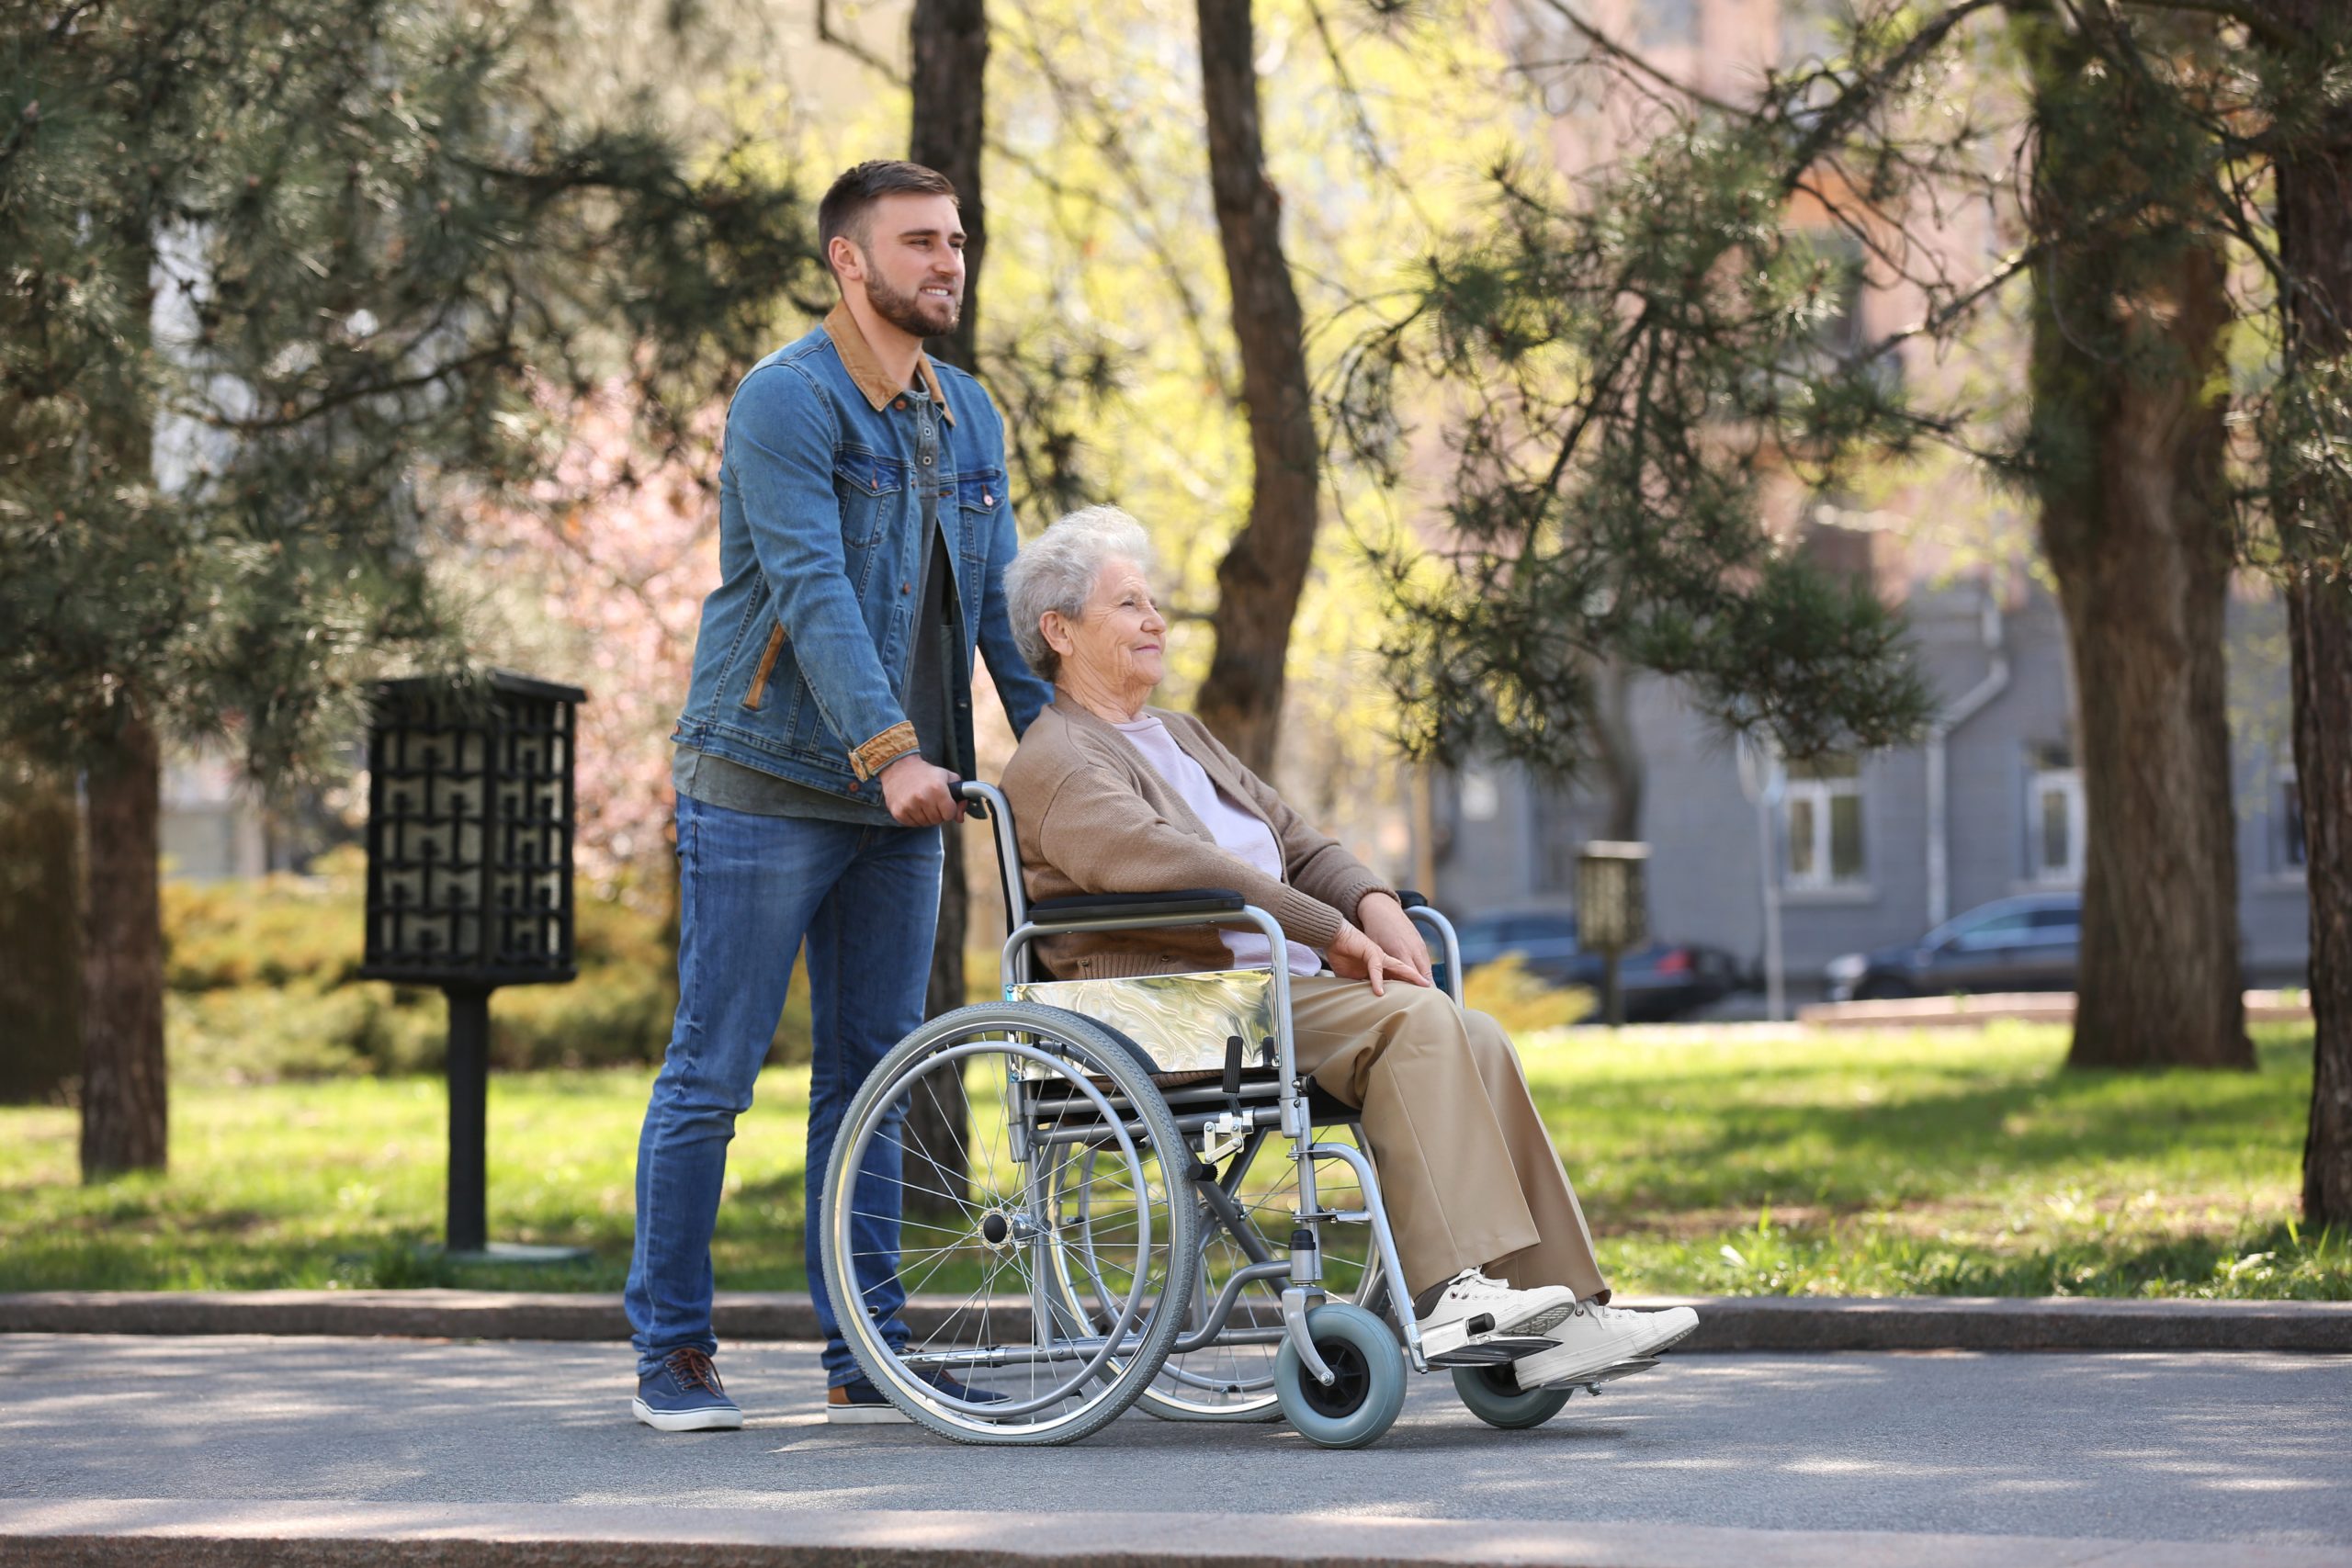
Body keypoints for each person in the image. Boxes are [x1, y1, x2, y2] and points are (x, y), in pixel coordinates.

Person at [997, 506, 1697, 1387]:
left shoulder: (1180, 734)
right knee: (1415, 1024)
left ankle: (1557, 1309)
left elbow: (1297, 837)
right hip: (1175, 1008)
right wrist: (1328, 932)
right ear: (1059, 632)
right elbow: (1171, 862)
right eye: (1128, 603)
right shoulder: (1054, 760)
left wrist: (1375, 900)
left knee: (1469, 1030)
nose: (1155, 620)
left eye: (1154, 601)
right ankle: (1454, 1292)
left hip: (1263, 993)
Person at [627, 161, 1053, 1431]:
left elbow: (999, 609)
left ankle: (866, 1345)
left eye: (958, 241)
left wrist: (1067, 762)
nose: (949, 263)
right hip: (766, 781)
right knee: (714, 1069)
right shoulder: (786, 399)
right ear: (848, 262)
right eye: (921, 242)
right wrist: (894, 748)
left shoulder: (968, 411)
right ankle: (674, 1349)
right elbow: (813, 591)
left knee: (870, 1076)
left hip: (900, 797)